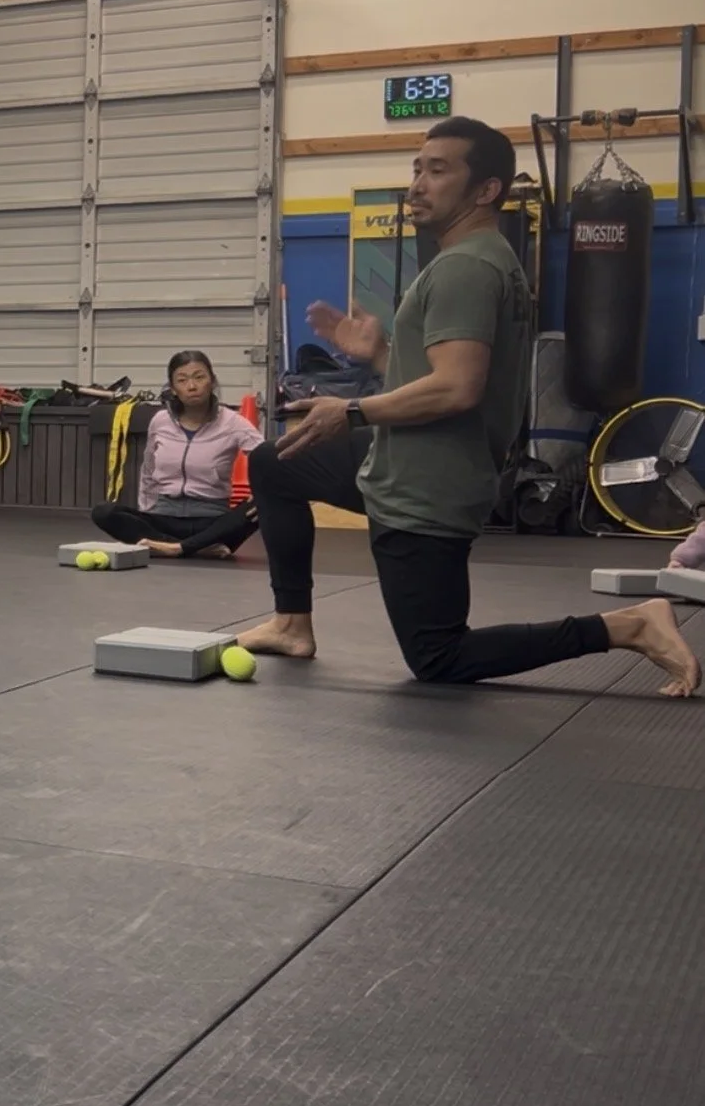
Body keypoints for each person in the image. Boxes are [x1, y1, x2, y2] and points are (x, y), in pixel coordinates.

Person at [234, 117, 697, 696]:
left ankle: (627, 625)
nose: (418, 185)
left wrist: (350, 411)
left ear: (486, 191)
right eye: (417, 169)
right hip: (400, 466)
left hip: (425, 487)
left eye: (438, 170)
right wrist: (379, 353)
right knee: (276, 463)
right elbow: (452, 373)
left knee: (440, 656)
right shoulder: (483, 258)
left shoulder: (466, 267)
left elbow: (457, 389)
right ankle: (292, 622)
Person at [90, 350, 262, 559]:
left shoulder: (233, 423)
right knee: (103, 512)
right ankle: (189, 547)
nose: (192, 386)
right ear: (173, 388)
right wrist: (148, 512)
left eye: (199, 377)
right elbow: (148, 470)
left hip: (213, 523)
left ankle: (175, 547)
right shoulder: (160, 421)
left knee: (264, 504)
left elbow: (268, 458)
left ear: (212, 382)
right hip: (164, 517)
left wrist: (264, 488)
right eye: (182, 380)